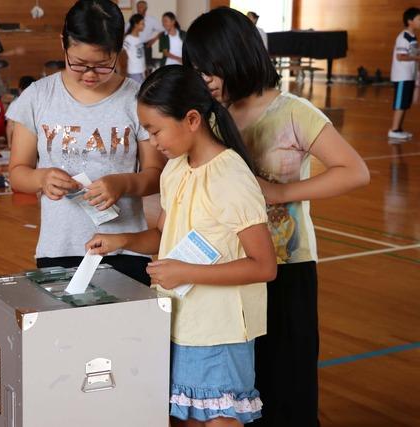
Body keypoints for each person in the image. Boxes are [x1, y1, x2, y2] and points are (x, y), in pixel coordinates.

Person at [183, 8, 370, 427]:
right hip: (230, 268)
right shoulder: (212, 116)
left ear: (236, 55)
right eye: (195, 70)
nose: (203, 79)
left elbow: (355, 171)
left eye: (208, 68)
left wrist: (283, 192)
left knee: (287, 383)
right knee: (239, 387)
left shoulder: (293, 112)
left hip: (288, 269)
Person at [87, 65, 276, 426]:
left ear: (191, 119)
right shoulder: (175, 169)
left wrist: (186, 271)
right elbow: (164, 235)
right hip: (181, 320)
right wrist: (121, 241)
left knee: (218, 419)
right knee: (189, 418)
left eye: (156, 130)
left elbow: (263, 265)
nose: (153, 142)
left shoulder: (231, 177)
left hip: (221, 330)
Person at [7, 0, 165, 285]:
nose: (90, 75)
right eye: (79, 64)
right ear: (63, 44)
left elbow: (156, 175)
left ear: (119, 50)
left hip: (125, 247)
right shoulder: (38, 96)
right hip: (59, 248)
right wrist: (41, 178)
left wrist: (123, 184)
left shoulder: (137, 99)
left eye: (103, 66)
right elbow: (18, 172)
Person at [388, 7, 420, 140]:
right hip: (402, 76)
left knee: (405, 103)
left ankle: (398, 129)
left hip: (409, 75)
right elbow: (400, 56)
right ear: (410, 21)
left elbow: (413, 55)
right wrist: (417, 58)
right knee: (400, 103)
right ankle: (394, 130)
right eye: (419, 19)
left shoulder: (413, 37)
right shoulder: (403, 37)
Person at [134, 1, 164, 71]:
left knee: (147, 66)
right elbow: (126, 31)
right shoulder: (133, 19)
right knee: (135, 66)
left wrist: (153, 40)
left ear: (146, 8)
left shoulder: (151, 20)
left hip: (146, 46)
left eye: (141, 7)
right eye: (138, 7)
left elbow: (163, 30)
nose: (139, 8)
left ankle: (148, 80)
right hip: (134, 46)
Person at [6, 75, 35, 145]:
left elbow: (9, 125)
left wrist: (9, 144)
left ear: (20, 90)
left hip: (21, 141)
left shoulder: (16, 103)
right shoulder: (40, 102)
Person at [123, 14, 146, 84]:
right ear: (136, 25)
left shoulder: (139, 37)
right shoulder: (128, 39)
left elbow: (141, 55)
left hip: (141, 70)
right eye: (142, 23)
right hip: (134, 71)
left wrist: (144, 69)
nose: (144, 25)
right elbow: (122, 53)